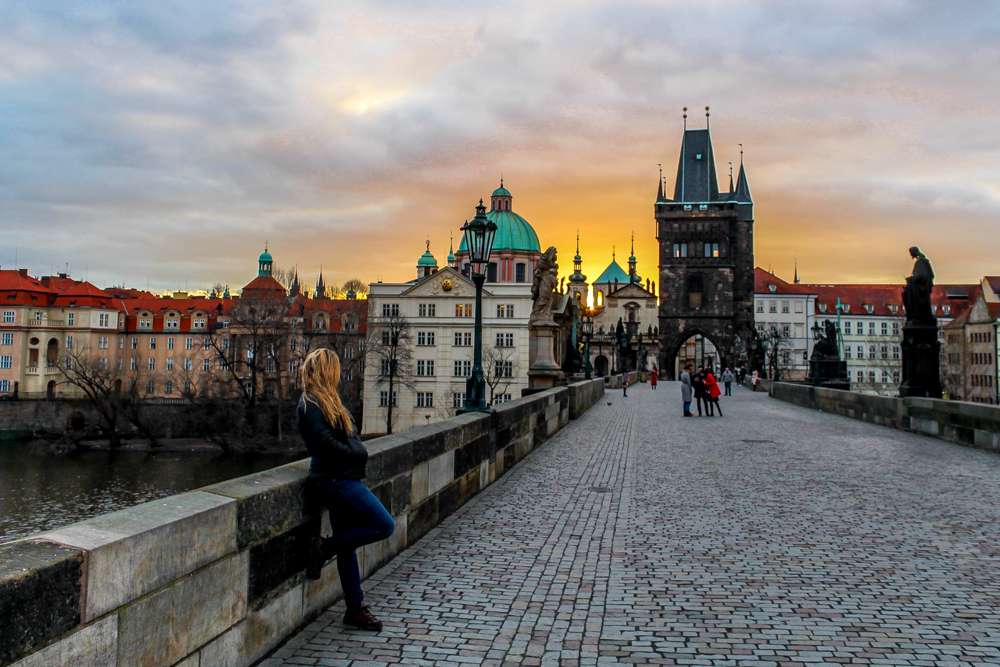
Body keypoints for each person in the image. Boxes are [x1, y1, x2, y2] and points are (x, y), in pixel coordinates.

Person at [300, 348, 394, 632]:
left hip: (342, 477)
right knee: (383, 525)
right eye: (336, 369)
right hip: (333, 481)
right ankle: (324, 548)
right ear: (329, 371)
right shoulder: (309, 404)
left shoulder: (329, 401)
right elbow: (323, 445)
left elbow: (347, 437)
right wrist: (355, 453)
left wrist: (353, 450)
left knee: (348, 542)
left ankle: (355, 608)